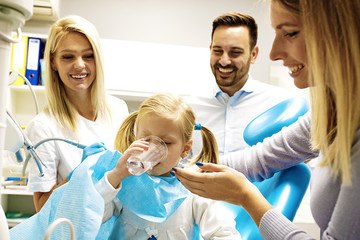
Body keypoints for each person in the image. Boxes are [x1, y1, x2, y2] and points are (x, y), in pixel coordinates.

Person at [173, 0, 360, 239]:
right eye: (217, 50)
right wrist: (177, 167)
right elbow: (260, 159)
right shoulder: (331, 114)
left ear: (340, 31)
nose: (274, 53)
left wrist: (245, 196)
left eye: (290, 33)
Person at [9, 93, 240, 240]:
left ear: (185, 149)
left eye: (165, 143)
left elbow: (224, 233)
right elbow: (91, 217)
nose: (152, 149)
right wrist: (116, 176)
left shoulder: (193, 190)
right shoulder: (126, 184)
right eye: (145, 139)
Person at [25, 15, 129, 212]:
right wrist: (78, 176)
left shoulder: (118, 109)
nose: (80, 65)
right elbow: (42, 207)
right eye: (68, 57)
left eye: (88, 55)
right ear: (53, 62)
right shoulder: (43, 127)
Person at [187, 12, 293, 157]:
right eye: (217, 51)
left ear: (253, 54)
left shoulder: (279, 104)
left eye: (235, 52)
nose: (224, 61)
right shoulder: (189, 109)